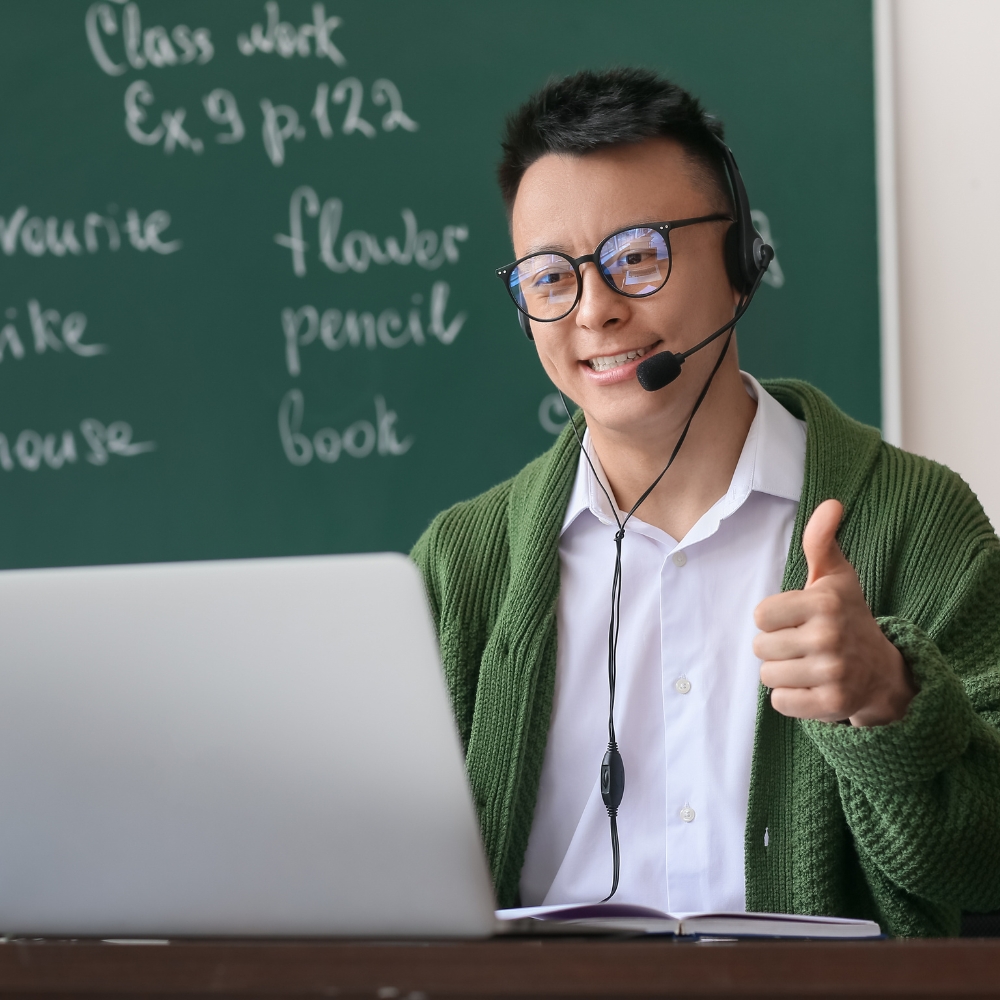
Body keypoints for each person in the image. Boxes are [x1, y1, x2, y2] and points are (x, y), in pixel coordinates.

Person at [411, 68, 1000, 937]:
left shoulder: (918, 522)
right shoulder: (462, 565)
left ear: (739, 264)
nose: (596, 312)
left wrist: (891, 701)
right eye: (549, 277)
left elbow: (985, 867)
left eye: (636, 257)